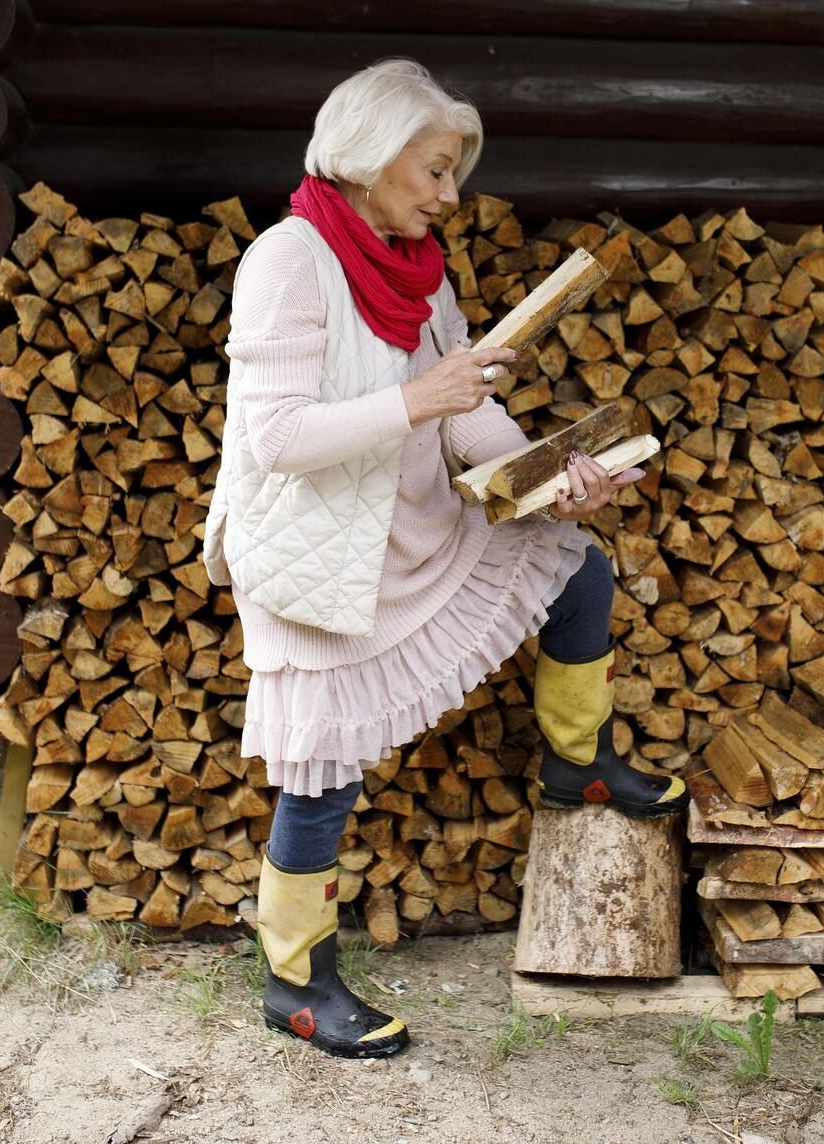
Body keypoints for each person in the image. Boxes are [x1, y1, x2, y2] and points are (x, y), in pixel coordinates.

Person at [201, 58, 686, 1060]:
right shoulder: (289, 261)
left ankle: (579, 765)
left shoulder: (418, 268)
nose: (450, 195)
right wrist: (425, 397)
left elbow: (467, 415)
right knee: (321, 769)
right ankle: (295, 980)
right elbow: (277, 437)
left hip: (413, 523)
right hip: (320, 552)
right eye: (434, 170)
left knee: (577, 566)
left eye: (453, 171)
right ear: (368, 157)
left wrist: (551, 473)